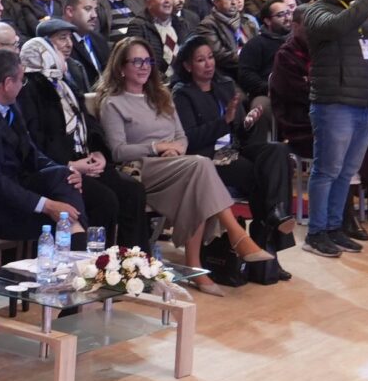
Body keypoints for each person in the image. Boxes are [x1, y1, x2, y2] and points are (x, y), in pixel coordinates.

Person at [93, 38, 275, 272]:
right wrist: (157, 147)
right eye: (137, 61)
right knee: (201, 165)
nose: (144, 66)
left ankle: (196, 266)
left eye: (148, 61)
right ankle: (236, 235)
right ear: (121, 67)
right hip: (140, 169)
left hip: (175, 163)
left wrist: (175, 148)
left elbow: (181, 136)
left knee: (197, 180)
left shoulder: (161, 96)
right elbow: (118, 151)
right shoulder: (113, 103)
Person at [0, 49, 86, 245]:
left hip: (11, 184)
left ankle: (79, 245)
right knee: (56, 220)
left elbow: (30, 152)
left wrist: (68, 172)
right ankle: (80, 249)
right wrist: (47, 205)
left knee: (64, 178)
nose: (23, 85)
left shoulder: (4, 101)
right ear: (7, 83)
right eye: (21, 80)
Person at [171, 37, 293, 264]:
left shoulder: (225, 85)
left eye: (210, 57)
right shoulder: (182, 94)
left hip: (235, 149)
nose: (208, 64)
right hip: (208, 158)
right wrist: (224, 121)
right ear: (187, 66)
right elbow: (189, 139)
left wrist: (248, 123)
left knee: (277, 152)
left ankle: (278, 214)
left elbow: (239, 133)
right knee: (261, 177)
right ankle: (268, 253)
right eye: (200, 60)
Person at [15, 35, 140, 247]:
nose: (64, 53)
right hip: (60, 166)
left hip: (86, 158)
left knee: (132, 191)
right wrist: (70, 165)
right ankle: (96, 259)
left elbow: (88, 123)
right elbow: (35, 141)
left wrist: (99, 152)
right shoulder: (29, 89)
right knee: (104, 200)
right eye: (56, 49)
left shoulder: (65, 84)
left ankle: (132, 257)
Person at [301, 0, 368, 259]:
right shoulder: (316, 11)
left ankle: (335, 227)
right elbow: (336, 27)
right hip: (333, 103)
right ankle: (315, 233)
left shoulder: (356, 12)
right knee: (327, 170)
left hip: (363, 103)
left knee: (347, 172)